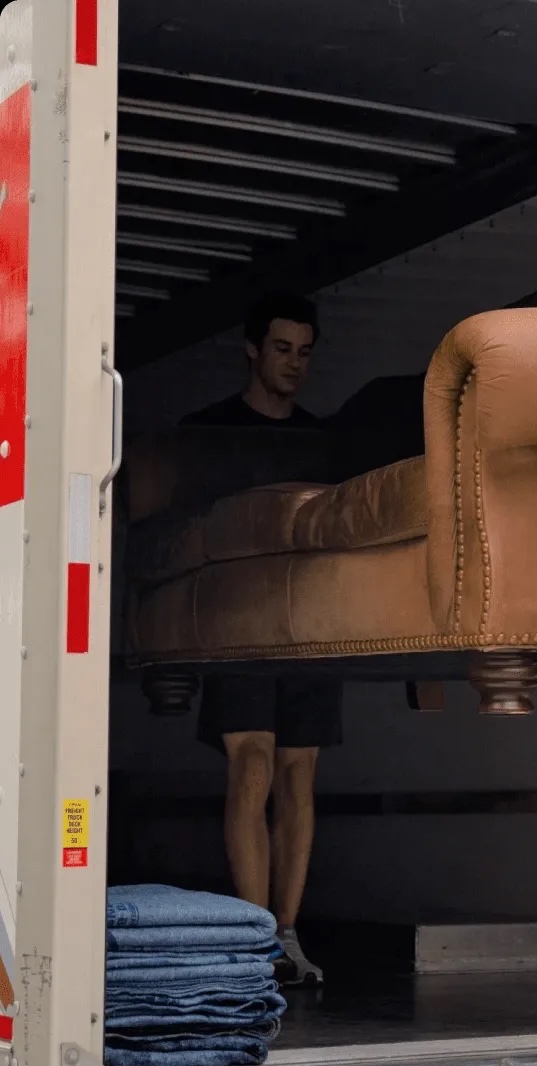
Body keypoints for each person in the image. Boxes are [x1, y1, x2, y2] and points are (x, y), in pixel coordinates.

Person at [181, 291, 340, 987]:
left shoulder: (322, 441)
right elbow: (181, 534)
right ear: (251, 348)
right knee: (251, 768)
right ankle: (252, 945)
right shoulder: (209, 430)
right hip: (241, 623)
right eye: (281, 349)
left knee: (299, 776)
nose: (294, 363)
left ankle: (287, 937)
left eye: (304, 351)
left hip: (309, 622)